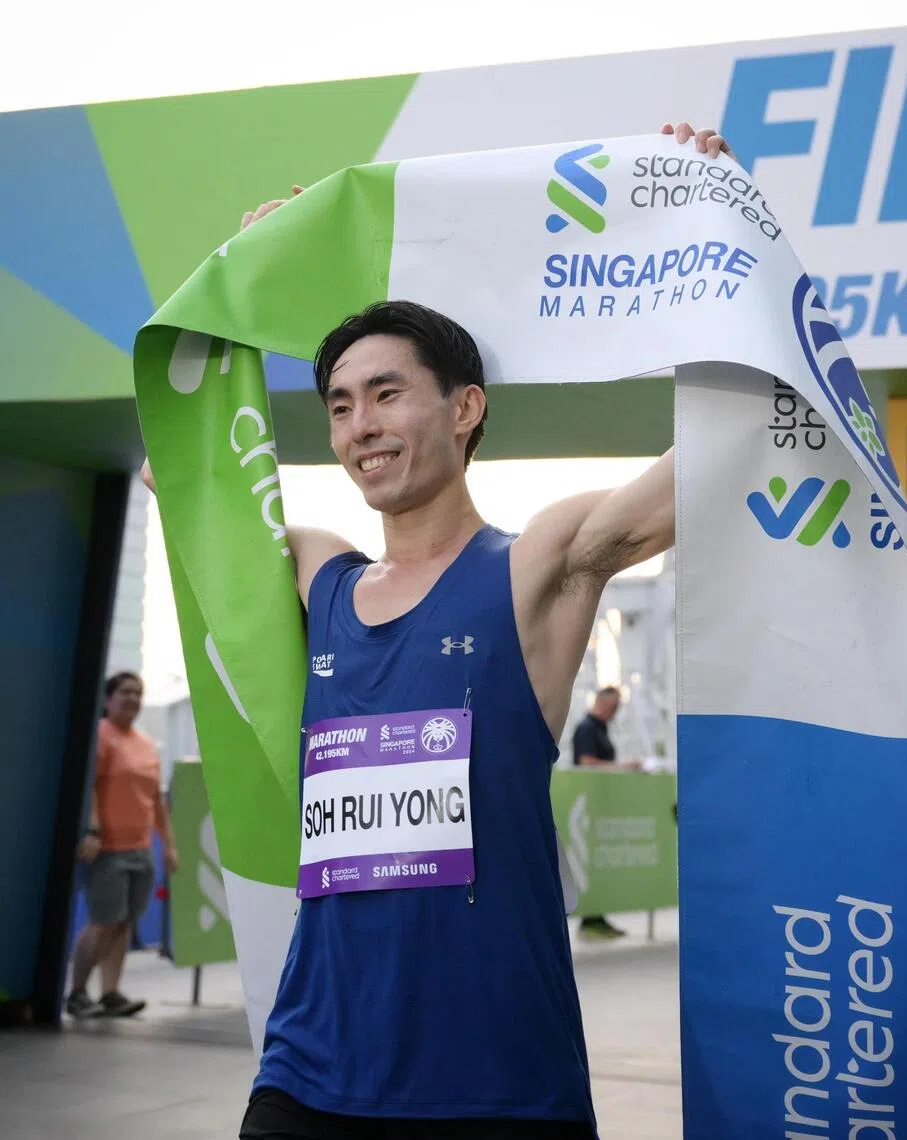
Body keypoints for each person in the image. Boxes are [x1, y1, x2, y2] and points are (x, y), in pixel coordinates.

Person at [144, 121, 731, 1139]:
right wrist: (252, 279)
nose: (360, 426)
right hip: (309, 1073)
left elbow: (719, 458)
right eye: (339, 406)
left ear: (464, 410)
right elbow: (181, 472)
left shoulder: (536, 564)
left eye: (387, 395)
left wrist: (709, 234)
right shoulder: (317, 573)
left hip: (495, 1081)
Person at [66, 672, 178, 1019]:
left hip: (141, 848)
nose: (132, 698)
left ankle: (110, 993)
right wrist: (92, 831)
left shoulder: (146, 744)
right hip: (107, 849)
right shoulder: (100, 736)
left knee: (125, 922)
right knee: (103, 921)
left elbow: (156, 801)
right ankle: (77, 993)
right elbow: (87, 786)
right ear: (108, 698)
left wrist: (169, 845)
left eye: (138, 693)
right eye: (125, 692)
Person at [572, 687, 640, 940]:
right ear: (603, 704)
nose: (615, 713)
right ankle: (590, 919)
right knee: (589, 862)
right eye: (614, 708)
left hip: (600, 807)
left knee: (600, 865)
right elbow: (585, 762)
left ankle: (598, 917)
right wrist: (622, 767)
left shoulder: (601, 729)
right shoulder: (586, 729)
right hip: (587, 808)